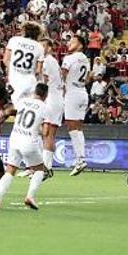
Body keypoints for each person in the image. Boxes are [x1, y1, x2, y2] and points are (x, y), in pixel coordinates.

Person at [0, 83, 49, 210]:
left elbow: (11, 111)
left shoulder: (23, 101)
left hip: (15, 138)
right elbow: (45, 133)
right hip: (29, 141)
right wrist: (37, 129)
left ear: (35, 92)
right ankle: (30, 197)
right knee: (40, 170)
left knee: (10, 170)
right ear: (46, 95)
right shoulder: (45, 108)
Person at [62, 35, 90, 176]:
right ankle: (81, 157)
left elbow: (62, 75)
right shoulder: (86, 59)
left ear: (80, 45)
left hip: (72, 93)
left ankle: (80, 159)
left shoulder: (69, 58)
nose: (69, 43)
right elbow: (87, 78)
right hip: (82, 92)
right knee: (78, 128)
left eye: (72, 41)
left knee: (72, 127)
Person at [3, 22, 44, 108]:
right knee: (27, 107)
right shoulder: (39, 47)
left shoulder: (14, 40)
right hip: (30, 81)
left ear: (24, 31)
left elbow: (6, 60)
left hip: (15, 79)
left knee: (15, 107)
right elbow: (38, 70)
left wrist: (13, 70)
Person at [40, 39, 63, 177]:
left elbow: (44, 81)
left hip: (52, 99)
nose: (40, 48)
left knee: (48, 133)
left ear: (49, 48)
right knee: (46, 133)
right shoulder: (53, 61)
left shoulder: (47, 61)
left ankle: (46, 167)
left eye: (43, 46)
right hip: (55, 98)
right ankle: (43, 165)